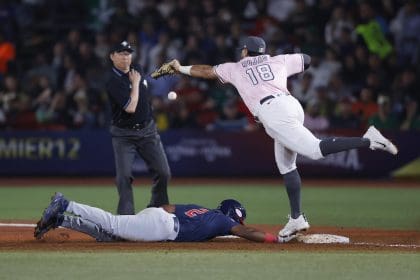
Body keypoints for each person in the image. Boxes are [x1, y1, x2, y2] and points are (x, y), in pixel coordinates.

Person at [163, 36, 398, 242]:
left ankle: (368, 139)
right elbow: (306, 59)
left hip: (272, 111)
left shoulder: (235, 67)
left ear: (245, 51)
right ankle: (296, 218)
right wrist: (280, 60)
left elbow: (206, 71)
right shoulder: (278, 60)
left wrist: (179, 67)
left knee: (314, 149)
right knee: (286, 165)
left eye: (242, 50)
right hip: (290, 104)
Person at [34, 193, 284, 243]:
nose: (236, 225)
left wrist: (147, 217)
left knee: (110, 237)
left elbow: (168, 205)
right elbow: (249, 233)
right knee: (112, 223)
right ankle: (66, 204)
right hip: (163, 227)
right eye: (236, 220)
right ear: (233, 215)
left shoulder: (203, 210)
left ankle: (61, 221)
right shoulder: (222, 221)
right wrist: (275, 239)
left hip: (159, 216)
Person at [105, 40, 171, 214]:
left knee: (163, 172)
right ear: (112, 56)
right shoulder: (113, 81)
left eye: (128, 53)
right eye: (121, 53)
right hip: (123, 135)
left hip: (148, 131)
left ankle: (158, 209)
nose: (126, 57)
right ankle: (126, 218)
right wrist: (135, 84)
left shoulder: (138, 69)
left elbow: (144, 94)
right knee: (124, 177)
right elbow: (130, 108)